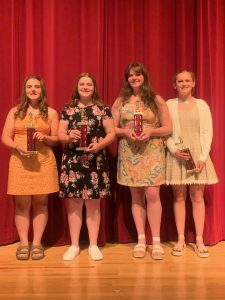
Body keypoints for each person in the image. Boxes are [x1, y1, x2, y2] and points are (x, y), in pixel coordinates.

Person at [111, 62, 172, 260]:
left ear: (144, 77)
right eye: (130, 75)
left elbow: (168, 128)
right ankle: (140, 239)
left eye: (138, 74)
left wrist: (151, 131)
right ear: (126, 78)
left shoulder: (156, 100)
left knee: (153, 194)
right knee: (136, 195)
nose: (134, 78)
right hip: (129, 151)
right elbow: (111, 129)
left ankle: (156, 241)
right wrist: (125, 131)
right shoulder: (120, 101)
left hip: (152, 150)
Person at [58, 73, 115, 261]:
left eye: (89, 84)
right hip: (73, 160)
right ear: (77, 86)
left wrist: (100, 145)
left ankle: (93, 244)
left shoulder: (103, 109)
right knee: (74, 203)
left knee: (93, 203)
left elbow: (111, 133)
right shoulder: (68, 109)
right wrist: (68, 137)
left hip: (95, 160)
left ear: (94, 87)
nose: (85, 87)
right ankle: (74, 245)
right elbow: (60, 133)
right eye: (82, 84)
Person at [1, 75, 59, 260]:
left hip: (43, 162)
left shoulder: (51, 113)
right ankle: (23, 243)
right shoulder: (15, 112)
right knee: (22, 204)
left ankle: (37, 243)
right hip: (20, 163)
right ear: (25, 91)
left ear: (42, 90)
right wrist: (16, 147)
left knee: (41, 203)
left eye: (37, 87)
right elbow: (5, 137)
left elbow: (57, 139)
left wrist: (46, 138)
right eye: (29, 87)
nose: (33, 90)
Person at [166, 70, 218, 258]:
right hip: (178, 155)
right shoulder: (169, 104)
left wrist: (203, 157)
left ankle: (199, 239)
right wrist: (174, 150)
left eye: (188, 80)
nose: (184, 83)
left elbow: (207, 132)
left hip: (198, 155)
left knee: (197, 197)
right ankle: (180, 239)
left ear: (194, 83)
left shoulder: (202, 105)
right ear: (174, 84)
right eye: (180, 81)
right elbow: (166, 133)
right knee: (178, 197)